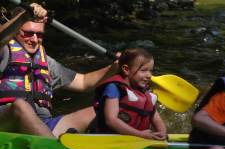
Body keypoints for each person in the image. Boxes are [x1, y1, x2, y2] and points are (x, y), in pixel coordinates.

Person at [0, 3, 118, 137]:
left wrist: (114, 67)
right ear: (15, 31)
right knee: (20, 106)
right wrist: (23, 17)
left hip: (44, 125)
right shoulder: (4, 51)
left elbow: (83, 82)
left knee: (100, 111)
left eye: (39, 35)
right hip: (6, 125)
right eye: (28, 33)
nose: (34, 39)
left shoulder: (46, 62)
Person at [89, 48, 167, 140]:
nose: (149, 75)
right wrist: (140, 135)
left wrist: (162, 133)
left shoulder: (145, 93)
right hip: (109, 140)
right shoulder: (114, 88)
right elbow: (111, 120)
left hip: (137, 139)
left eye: (151, 71)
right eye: (143, 70)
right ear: (126, 69)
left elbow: (156, 118)